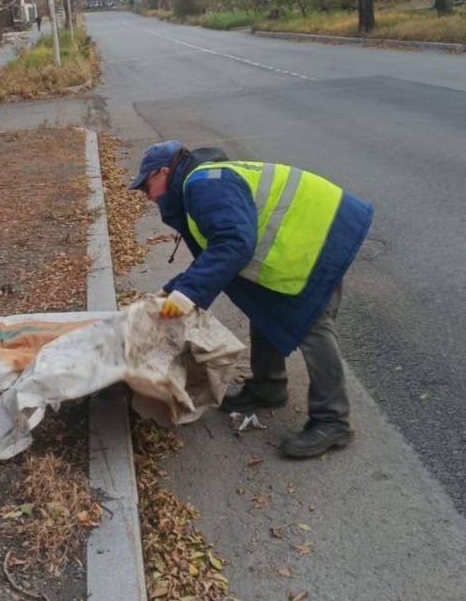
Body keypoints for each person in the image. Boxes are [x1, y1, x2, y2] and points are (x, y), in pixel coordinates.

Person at [130, 141, 374, 458]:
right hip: (304, 238)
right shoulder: (201, 183)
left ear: (164, 171)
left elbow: (233, 243)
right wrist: (171, 293)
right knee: (267, 312)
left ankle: (333, 420)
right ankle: (269, 388)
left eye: (147, 186)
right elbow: (212, 256)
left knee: (313, 325)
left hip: (321, 238)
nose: (148, 196)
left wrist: (183, 298)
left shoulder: (204, 185)